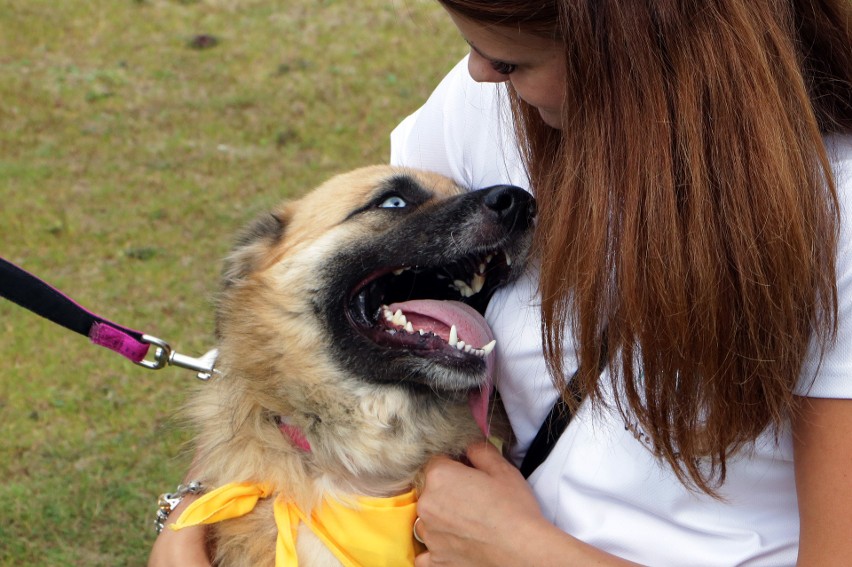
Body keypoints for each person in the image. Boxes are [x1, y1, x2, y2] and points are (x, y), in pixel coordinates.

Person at [149, 1, 852, 565]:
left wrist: (526, 550)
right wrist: (196, 509)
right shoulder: (483, 106)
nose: (481, 73)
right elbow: (297, 323)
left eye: (512, 59)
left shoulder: (837, 211)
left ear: (631, 42)